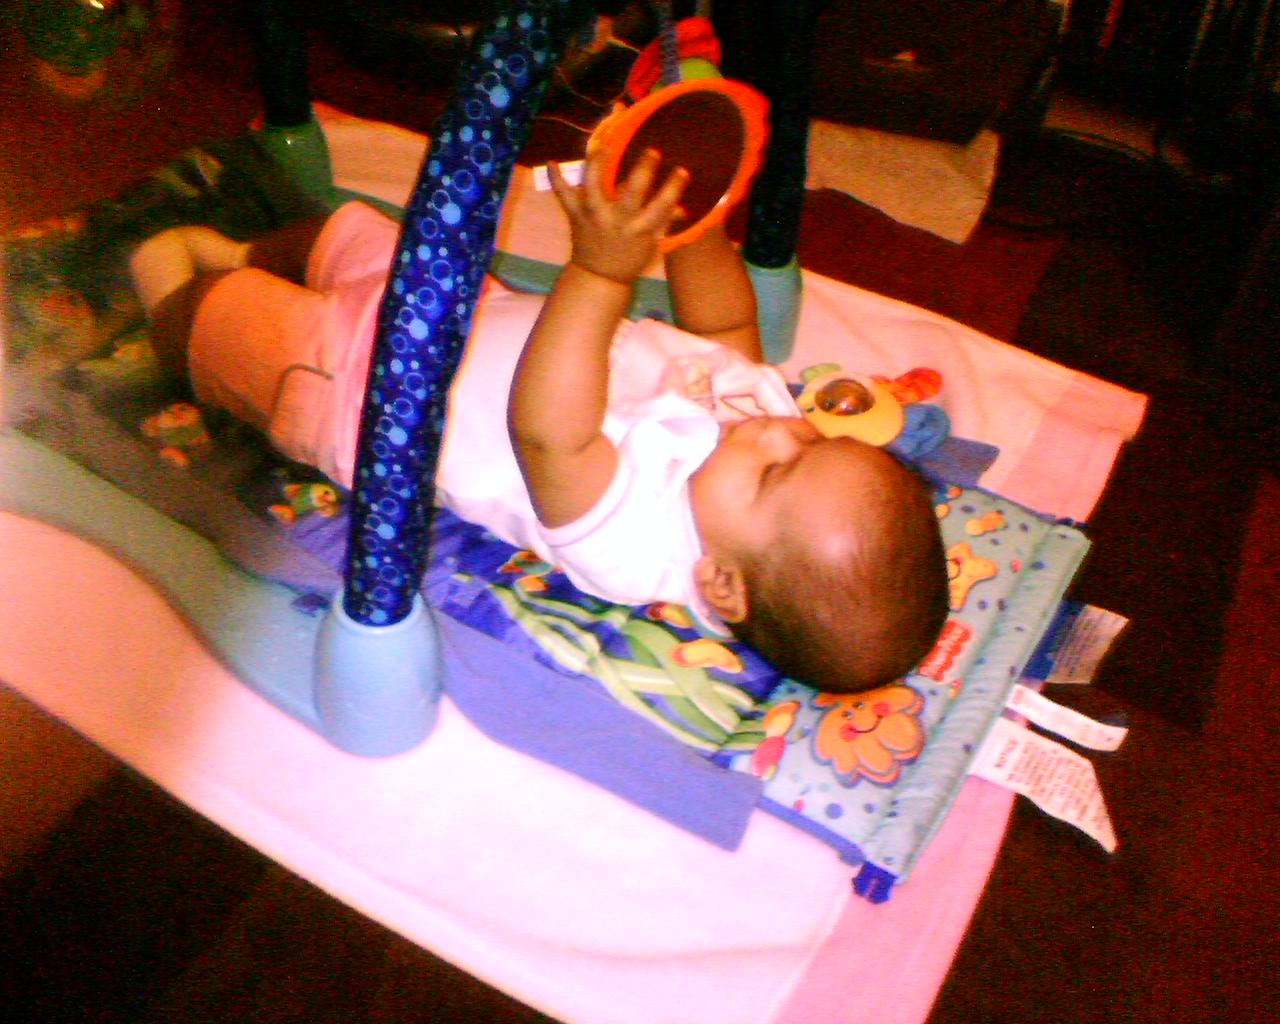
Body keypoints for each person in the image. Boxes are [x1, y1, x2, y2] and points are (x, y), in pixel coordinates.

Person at [127, 146, 949, 694]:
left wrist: (600, 274)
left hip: (359, 390)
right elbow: (726, 328)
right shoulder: (761, 426)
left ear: (722, 584)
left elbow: (550, 431)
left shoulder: (642, 548)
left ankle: (168, 292)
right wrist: (692, 223)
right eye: (811, 436)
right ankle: (243, 253)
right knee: (345, 236)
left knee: (221, 320)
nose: (778, 427)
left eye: (776, 470)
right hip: (464, 302)